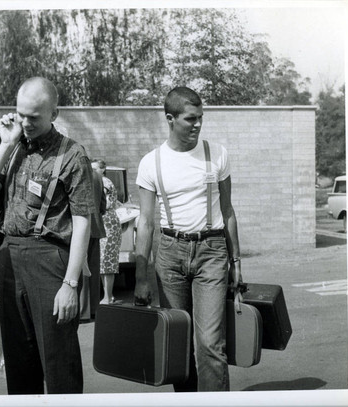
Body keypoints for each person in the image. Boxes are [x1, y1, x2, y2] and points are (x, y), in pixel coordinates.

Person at [0, 77, 94, 394]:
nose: (25, 123)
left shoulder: (72, 155)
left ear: (54, 113)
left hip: (50, 260)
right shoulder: (12, 148)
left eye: (34, 117)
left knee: (58, 361)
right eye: (21, 114)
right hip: (10, 258)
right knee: (19, 363)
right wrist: (6, 142)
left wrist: (70, 283)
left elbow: (82, 222)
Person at [134, 87, 242, 392]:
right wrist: (142, 278)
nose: (197, 125)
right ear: (170, 119)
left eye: (201, 119)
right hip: (169, 254)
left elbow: (228, 210)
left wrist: (236, 263)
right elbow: (145, 222)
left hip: (211, 251)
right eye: (190, 119)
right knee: (178, 343)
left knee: (209, 343)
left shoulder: (217, 153)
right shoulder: (151, 162)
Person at [91, 159, 122, 304]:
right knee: (103, 260)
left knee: (107, 260)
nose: (92, 171)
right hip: (104, 221)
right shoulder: (102, 181)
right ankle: (107, 294)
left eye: (95, 168)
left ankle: (108, 296)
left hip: (108, 222)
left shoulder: (104, 182)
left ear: (103, 169)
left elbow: (107, 203)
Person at [79, 167, 106, 321]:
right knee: (93, 269)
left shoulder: (76, 170)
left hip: (80, 228)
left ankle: (83, 312)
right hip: (95, 226)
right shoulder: (97, 175)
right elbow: (103, 204)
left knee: (81, 269)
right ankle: (94, 308)